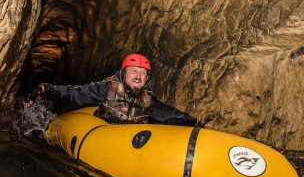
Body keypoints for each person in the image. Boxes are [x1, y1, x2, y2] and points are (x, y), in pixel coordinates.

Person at [25, 53, 202, 127]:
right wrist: (44, 89)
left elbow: (170, 114)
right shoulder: (106, 88)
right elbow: (74, 93)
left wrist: (193, 123)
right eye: (134, 71)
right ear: (123, 74)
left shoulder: (148, 99)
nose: (138, 76)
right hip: (105, 132)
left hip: (130, 141)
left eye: (143, 73)